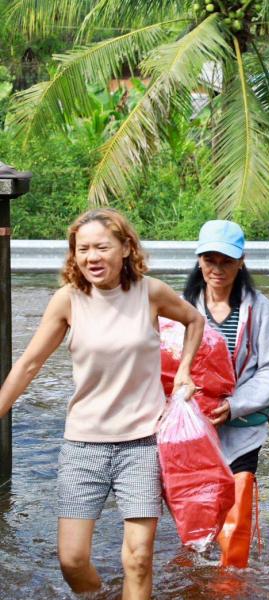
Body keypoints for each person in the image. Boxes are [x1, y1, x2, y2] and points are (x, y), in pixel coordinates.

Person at [0, 209, 204, 599]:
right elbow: (28, 365)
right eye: (83, 249)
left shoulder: (150, 292)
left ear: (126, 248)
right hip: (83, 444)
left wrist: (183, 372)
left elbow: (194, 321)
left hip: (142, 443)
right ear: (73, 255)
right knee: (72, 560)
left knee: (139, 559)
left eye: (102, 247)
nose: (92, 257)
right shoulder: (68, 300)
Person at [184, 220, 269, 568]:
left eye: (226, 261)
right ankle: (196, 576)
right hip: (194, 430)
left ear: (240, 262)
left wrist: (234, 405)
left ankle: (231, 580)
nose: (217, 269)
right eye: (210, 260)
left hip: (244, 427)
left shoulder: (259, 308)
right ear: (199, 261)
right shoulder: (182, 308)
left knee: (237, 510)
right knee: (197, 509)